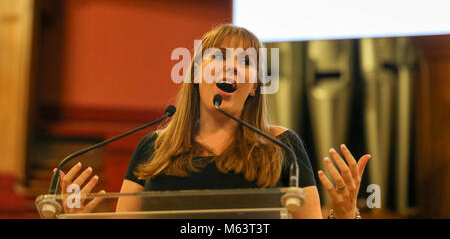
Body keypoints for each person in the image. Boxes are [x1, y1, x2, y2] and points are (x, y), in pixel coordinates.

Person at [55, 24, 371, 219]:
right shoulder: (152, 148)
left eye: (246, 62)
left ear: (255, 87)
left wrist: (346, 215)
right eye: (218, 57)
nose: (231, 67)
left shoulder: (282, 147)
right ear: (195, 74)